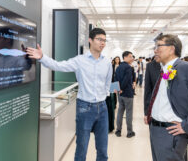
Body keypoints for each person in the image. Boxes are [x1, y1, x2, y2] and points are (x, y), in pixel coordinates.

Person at [26, 28, 112, 161]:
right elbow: (59, 65)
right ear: (90, 40)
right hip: (85, 108)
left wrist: (104, 96)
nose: (102, 43)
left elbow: (107, 83)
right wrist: (42, 57)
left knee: (103, 149)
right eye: (99, 39)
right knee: (81, 148)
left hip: (103, 108)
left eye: (104, 41)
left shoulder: (107, 63)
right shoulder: (80, 60)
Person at [147, 34, 188, 161]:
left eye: (158, 46)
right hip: (156, 130)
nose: (155, 50)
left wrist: (187, 125)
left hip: (170, 132)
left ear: (171, 49)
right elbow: (167, 95)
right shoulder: (167, 70)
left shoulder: (185, 67)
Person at [115, 51, 136, 138]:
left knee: (120, 111)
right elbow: (126, 79)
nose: (132, 58)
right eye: (130, 57)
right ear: (125, 57)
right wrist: (122, 89)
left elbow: (115, 78)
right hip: (127, 93)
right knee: (129, 113)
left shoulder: (118, 67)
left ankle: (118, 130)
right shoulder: (128, 67)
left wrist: (118, 89)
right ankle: (129, 132)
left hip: (120, 94)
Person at [143, 55, 161, 125]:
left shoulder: (182, 66)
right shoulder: (150, 66)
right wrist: (147, 112)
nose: (156, 51)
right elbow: (148, 91)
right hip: (155, 110)